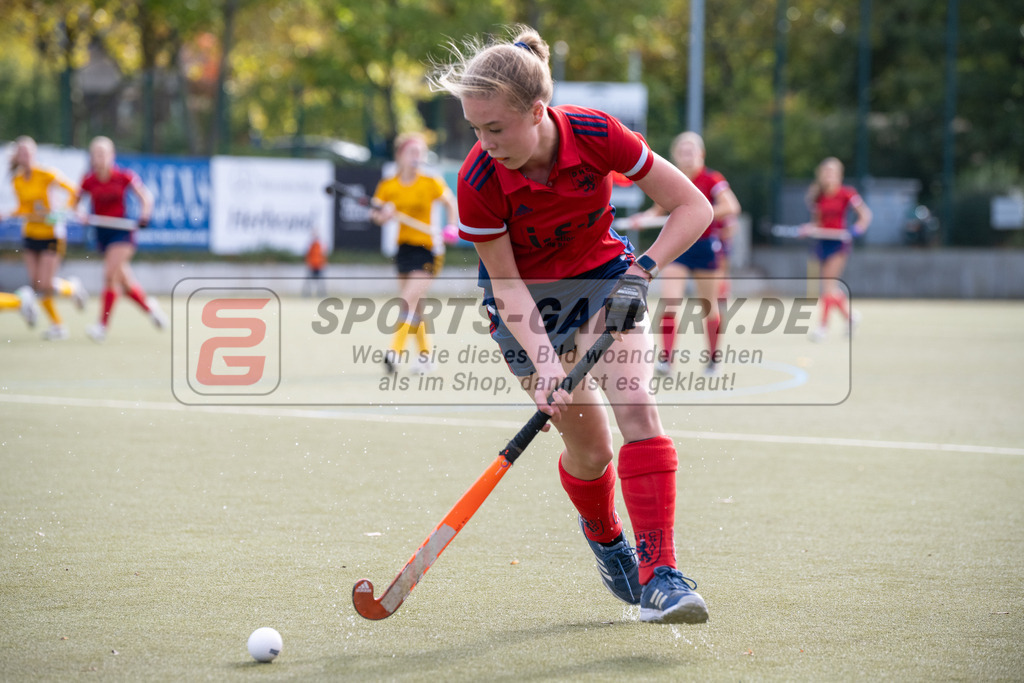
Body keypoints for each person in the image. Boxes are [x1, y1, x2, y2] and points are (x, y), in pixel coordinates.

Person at [431, 26, 715, 624]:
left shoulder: (594, 134)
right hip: (526, 303)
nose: (484, 143)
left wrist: (643, 270)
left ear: (537, 111)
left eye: (496, 128)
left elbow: (694, 206)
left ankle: (660, 572)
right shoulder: (478, 181)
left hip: (603, 277)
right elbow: (507, 286)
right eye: (475, 130)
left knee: (636, 407)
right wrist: (542, 366)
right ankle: (604, 533)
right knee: (591, 450)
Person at [631, 132, 741, 376]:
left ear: (701, 154)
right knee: (670, 302)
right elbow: (657, 211)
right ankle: (666, 360)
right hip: (679, 246)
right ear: (674, 156)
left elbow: (731, 206)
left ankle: (713, 358)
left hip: (705, 247)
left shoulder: (712, 179)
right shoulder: (674, 179)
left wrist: (696, 212)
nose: (686, 154)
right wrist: (643, 219)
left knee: (708, 306)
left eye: (691, 150)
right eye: (682, 150)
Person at [369, 132, 459, 375]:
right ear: (399, 155)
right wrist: (383, 215)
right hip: (404, 249)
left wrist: (451, 226)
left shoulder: (430, 181)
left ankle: (393, 352)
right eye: (412, 152)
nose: (416, 157)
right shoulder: (389, 185)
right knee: (415, 306)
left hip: (429, 249)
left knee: (407, 301)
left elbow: (450, 203)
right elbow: (375, 214)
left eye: (420, 153)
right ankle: (426, 357)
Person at [76, 136, 165, 342]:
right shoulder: (88, 180)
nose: (99, 158)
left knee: (109, 277)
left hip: (122, 233)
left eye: (103, 154)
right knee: (124, 283)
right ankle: (150, 309)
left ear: (111, 156)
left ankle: (101, 327)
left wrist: (144, 216)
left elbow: (145, 197)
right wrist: (80, 215)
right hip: (102, 233)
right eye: (96, 154)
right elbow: (75, 203)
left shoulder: (124, 176)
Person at [3, 136, 88, 340]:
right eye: (21, 152)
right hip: (31, 233)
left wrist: (61, 211)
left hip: (52, 234)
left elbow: (73, 192)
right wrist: (8, 214)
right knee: (36, 283)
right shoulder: (17, 180)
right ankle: (58, 326)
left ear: (34, 153)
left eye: (28, 151)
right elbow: (24, 208)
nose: (24, 156)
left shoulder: (47, 174)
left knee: (46, 283)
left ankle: (73, 288)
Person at [804, 157, 871, 341]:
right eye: (825, 172)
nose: (828, 176)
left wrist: (856, 230)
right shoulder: (817, 195)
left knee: (827, 286)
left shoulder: (847, 194)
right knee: (830, 288)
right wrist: (809, 229)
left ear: (839, 175)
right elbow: (816, 222)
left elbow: (865, 215)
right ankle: (850, 317)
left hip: (839, 244)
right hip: (822, 242)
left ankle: (822, 327)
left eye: (832, 172)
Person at [303, 228, 328, 297]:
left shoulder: (321, 244)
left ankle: (322, 295)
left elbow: (324, 254)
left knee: (321, 282)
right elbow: (308, 255)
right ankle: (307, 295)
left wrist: (323, 264)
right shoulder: (310, 244)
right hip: (312, 265)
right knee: (309, 282)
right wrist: (308, 264)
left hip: (319, 265)